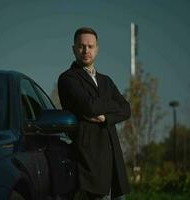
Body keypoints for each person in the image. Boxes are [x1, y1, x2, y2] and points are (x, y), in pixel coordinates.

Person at [58, 27, 131, 200]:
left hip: (114, 163)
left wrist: (106, 117)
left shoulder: (106, 81)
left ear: (97, 49)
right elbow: (89, 107)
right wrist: (111, 104)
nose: (86, 50)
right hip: (90, 162)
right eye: (82, 46)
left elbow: (126, 108)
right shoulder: (68, 79)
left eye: (90, 46)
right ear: (74, 49)